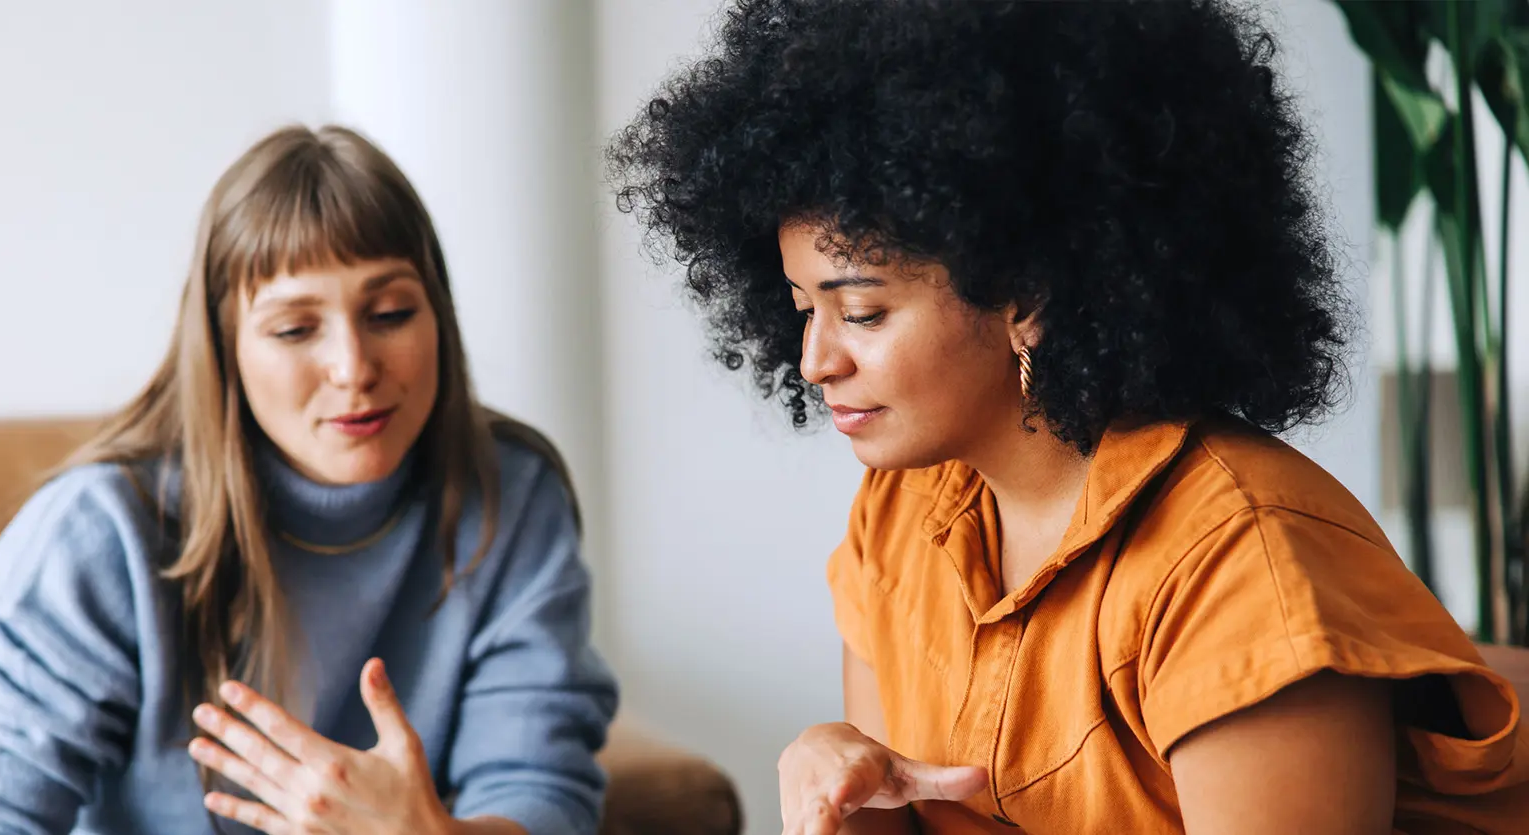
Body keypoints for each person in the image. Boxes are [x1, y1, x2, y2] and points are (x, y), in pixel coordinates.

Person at [607, 1, 1529, 832]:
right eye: (805, 308)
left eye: (864, 311)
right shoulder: (898, 517)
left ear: (1028, 294)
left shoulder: (1242, 572)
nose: (816, 359)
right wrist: (839, 786)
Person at [0, 125, 616, 835]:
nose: (353, 366)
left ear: (438, 313)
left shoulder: (512, 494)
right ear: (226, 348)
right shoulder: (100, 532)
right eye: (294, 329)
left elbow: (543, 790)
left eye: (390, 314)